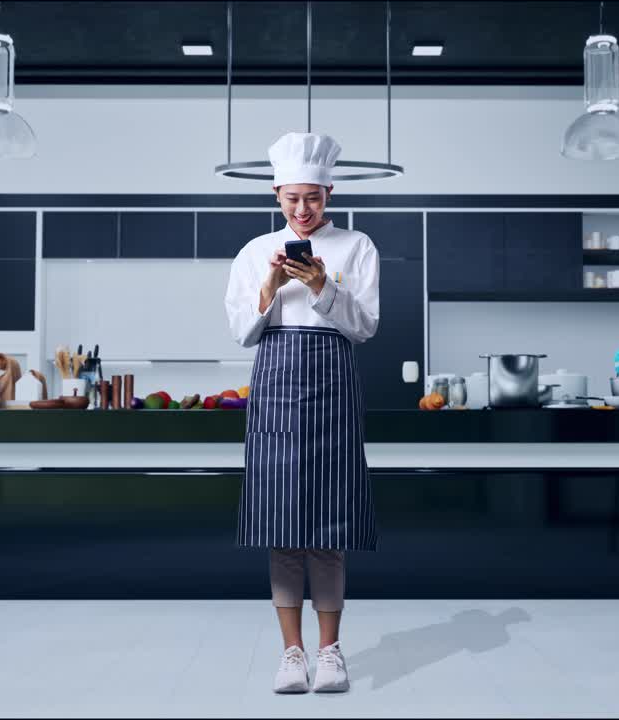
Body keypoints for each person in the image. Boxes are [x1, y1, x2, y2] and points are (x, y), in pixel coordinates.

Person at [223, 132, 381, 694]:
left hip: (334, 394)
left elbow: (364, 328)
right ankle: (292, 654)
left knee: (329, 528)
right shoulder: (252, 253)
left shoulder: (356, 247)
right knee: (282, 529)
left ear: (329, 193)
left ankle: (331, 652)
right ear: (276, 195)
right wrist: (270, 283)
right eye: (292, 199)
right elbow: (244, 332)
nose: (303, 210)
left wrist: (322, 289)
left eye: (312, 198)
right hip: (275, 393)